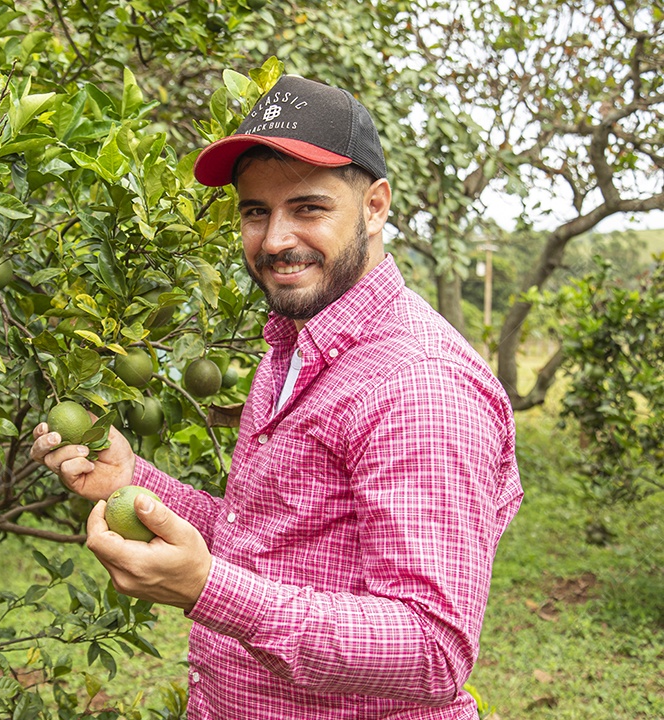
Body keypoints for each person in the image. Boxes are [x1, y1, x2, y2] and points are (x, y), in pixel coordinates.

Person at [31, 75, 523, 719]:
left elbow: (431, 650)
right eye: (255, 211)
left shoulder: (419, 384)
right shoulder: (294, 343)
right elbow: (272, 542)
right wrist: (136, 482)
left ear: (374, 207)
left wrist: (207, 589)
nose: (274, 240)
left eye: (309, 208)